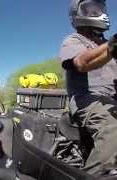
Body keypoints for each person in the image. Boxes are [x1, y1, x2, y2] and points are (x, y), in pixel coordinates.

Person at [59, 0, 117, 176]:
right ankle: (91, 175)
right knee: (113, 126)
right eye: (91, 10)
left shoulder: (107, 45)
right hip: (86, 101)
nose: (101, 14)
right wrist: (111, 47)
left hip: (111, 100)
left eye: (100, 9)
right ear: (78, 14)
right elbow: (82, 63)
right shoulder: (74, 40)